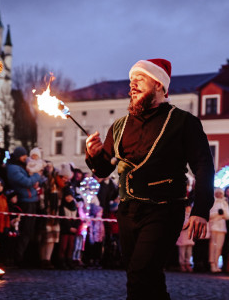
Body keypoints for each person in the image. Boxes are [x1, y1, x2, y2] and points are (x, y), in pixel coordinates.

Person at [85, 58, 214, 300]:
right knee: (149, 277)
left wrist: (201, 209)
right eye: (131, 81)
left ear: (159, 85)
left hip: (164, 210)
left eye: (140, 79)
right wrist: (93, 156)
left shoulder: (184, 122)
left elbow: (204, 166)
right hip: (128, 211)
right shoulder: (119, 126)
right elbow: (103, 171)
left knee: (140, 273)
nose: (132, 85)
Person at [6, 146, 41, 267]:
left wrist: (35, 179)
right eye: (23, 155)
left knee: (29, 231)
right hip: (24, 202)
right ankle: (18, 257)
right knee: (24, 231)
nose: (25, 157)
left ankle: (25, 256)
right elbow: (26, 182)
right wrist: (37, 175)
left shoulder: (22, 167)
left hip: (32, 200)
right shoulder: (13, 169)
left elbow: (33, 181)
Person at [208, 188, 229, 273]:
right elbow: (208, 214)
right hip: (213, 226)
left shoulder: (224, 203)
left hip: (222, 227)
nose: (219, 195)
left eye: (220, 193)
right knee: (213, 246)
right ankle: (212, 264)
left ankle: (217, 263)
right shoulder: (212, 202)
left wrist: (223, 213)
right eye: (217, 193)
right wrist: (217, 214)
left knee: (219, 247)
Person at [176, 202, 195, 272]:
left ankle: (187, 263)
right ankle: (182, 264)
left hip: (189, 237)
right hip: (183, 237)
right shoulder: (182, 216)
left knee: (189, 251)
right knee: (182, 251)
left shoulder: (192, 217)